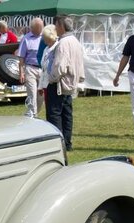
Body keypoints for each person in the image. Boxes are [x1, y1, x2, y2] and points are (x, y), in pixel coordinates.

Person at [47, 16, 85, 152]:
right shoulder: (75, 41)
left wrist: (51, 78)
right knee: (67, 114)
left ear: (62, 27)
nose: (55, 28)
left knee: (55, 114)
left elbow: (60, 66)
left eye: (56, 25)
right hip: (70, 83)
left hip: (59, 83)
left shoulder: (63, 43)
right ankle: (67, 143)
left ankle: (59, 144)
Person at [17, 18, 44, 118]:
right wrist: (21, 72)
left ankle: (34, 113)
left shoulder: (44, 37)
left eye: (41, 28)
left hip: (42, 69)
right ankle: (33, 115)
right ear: (32, 28)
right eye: (38, 28)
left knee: (41, 96)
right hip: (30, 68)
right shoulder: (26, 38)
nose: (40, 30)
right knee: (32, 93)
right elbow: (21, 57)